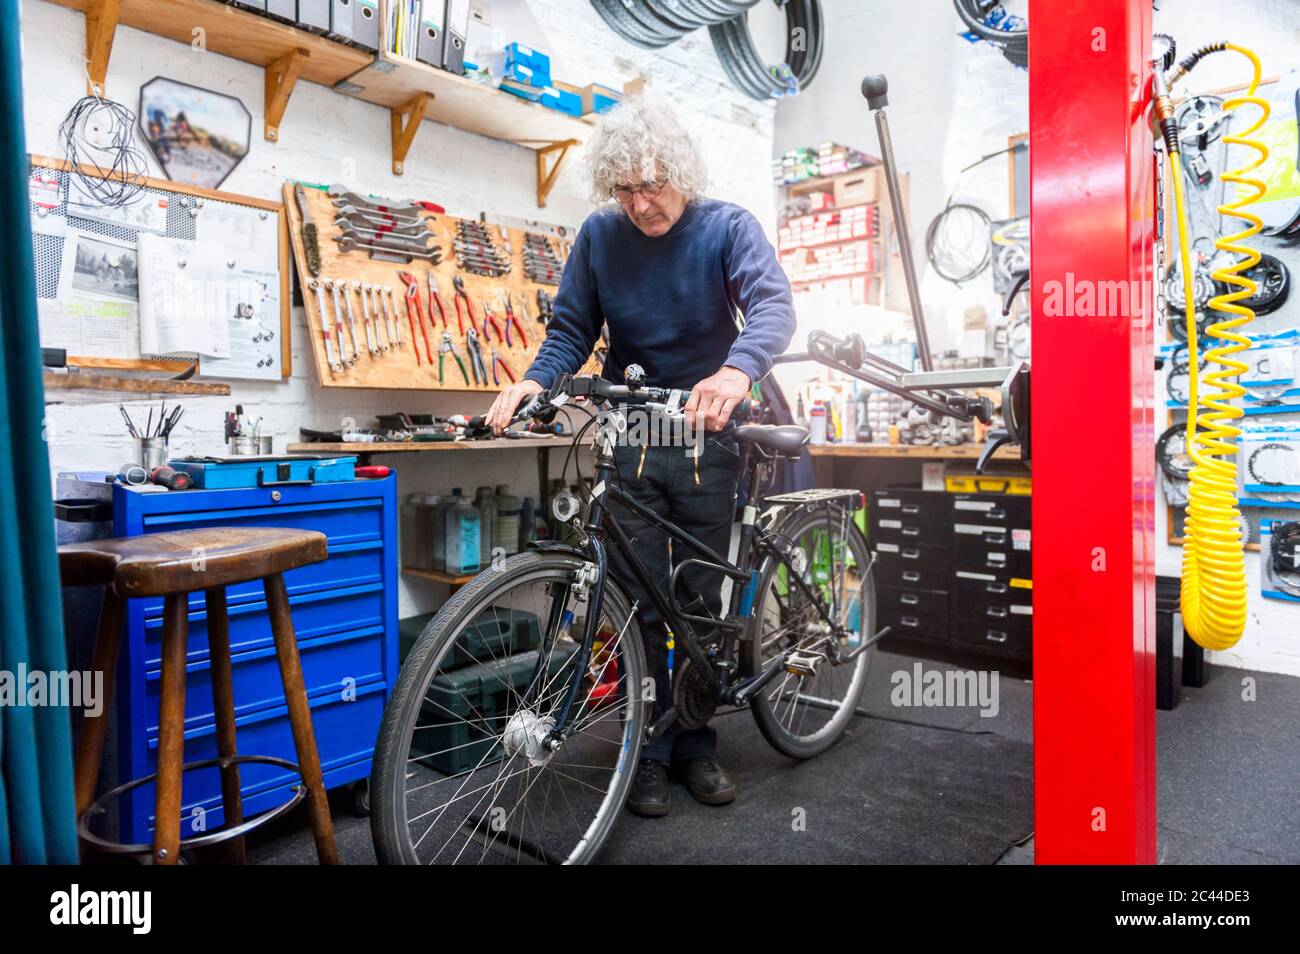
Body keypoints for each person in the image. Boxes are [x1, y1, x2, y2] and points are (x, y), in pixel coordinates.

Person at [485, 96, 795, 817]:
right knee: (637, 607)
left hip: (703, 440)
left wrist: (737, 369)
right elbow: (571, 329)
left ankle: (697, 744)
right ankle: (648, 750)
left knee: (697, 602)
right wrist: (536, 380)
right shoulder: (601, 235)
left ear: (681, 173)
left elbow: (774, 307)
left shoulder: (727, 228)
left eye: (652, 185)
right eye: (624, 189)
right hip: (631, 440)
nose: (640, 204)